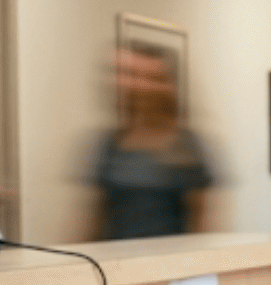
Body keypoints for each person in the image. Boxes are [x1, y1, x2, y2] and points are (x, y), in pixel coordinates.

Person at [90, 42, 215, 239]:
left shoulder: (186, 144)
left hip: (172, 262)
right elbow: (92, 220)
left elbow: (202, 223)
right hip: (113, 263)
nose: (136, 85)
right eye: (128, 75)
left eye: (150, 78)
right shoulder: (108, 143)